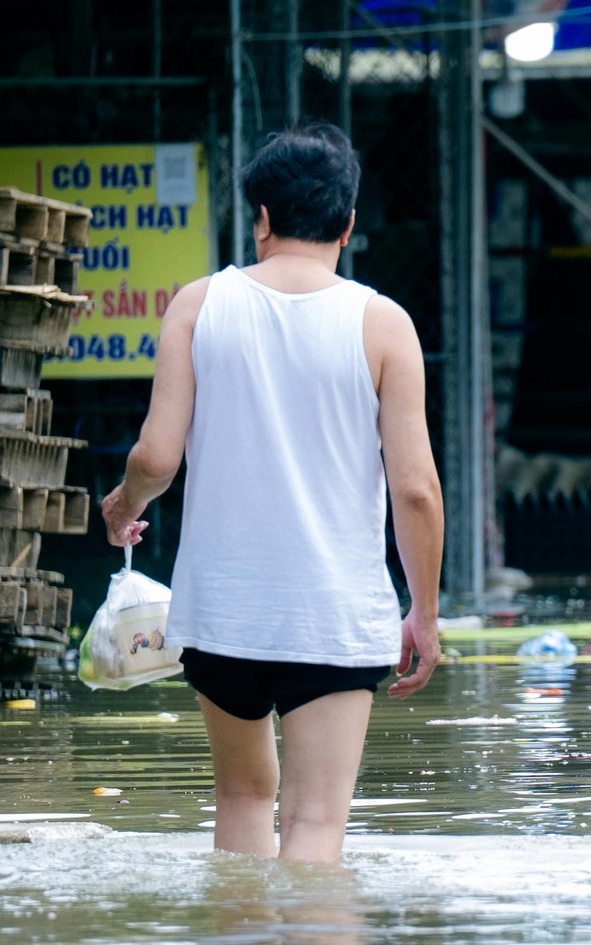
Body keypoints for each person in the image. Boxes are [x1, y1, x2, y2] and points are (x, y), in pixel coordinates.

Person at [100, 122, 442, 862]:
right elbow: (415, 490)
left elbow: (157, 458)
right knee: (316, 823)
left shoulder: (197, 305)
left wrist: (126, 506)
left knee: (242, 801)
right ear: (348, 222)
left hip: (224, 614)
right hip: (335, 615)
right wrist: (424, 612)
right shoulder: (384, 324)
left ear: (260, 219)